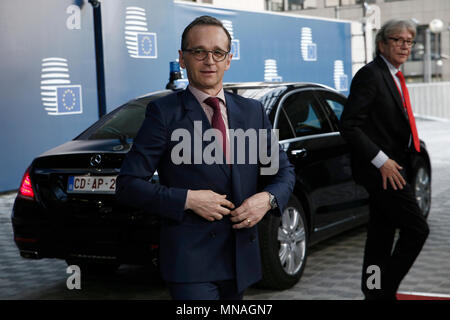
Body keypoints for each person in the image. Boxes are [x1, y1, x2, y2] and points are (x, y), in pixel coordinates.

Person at [116, 15, 295, 300]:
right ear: (183, 58)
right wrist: (187, 199)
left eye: (217, 52)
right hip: (191, 263)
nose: (209, 60)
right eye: (199, 51)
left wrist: (268, 199)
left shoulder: (252, 111)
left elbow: (283, 173)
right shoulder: (164, 113)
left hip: (241, 258)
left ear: (228, 59)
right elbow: (128, 184)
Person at [340, 19, 429, 300]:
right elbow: (350, 125)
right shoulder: (371, 74)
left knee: (380, 235)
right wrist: (382, 161)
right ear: (382, 43)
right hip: (383, 171)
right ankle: (383, 292)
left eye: (409, 41)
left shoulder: (393, 76)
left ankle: (373, 290)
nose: (405, 46)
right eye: (397, 40)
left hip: (399, 165)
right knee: (417, 229)